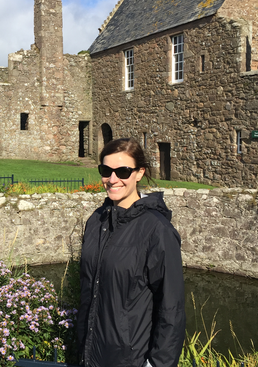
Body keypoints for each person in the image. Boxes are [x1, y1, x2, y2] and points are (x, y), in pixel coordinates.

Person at [76, 138, 185, 367]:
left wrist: (157, 364)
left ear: (139, 173)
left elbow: (171, 308)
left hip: (128, 360)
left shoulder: (157, 230)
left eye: (123, 171)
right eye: (106, 170)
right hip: (91, 355)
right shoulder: (97, 221)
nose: (112, 179)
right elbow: (89, 291)